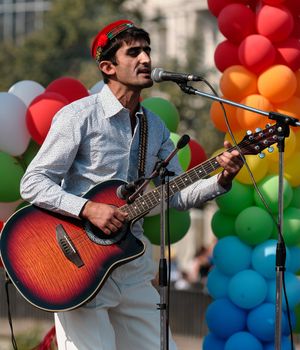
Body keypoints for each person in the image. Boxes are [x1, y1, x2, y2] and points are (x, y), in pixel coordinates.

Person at [20, 19, 243, 350]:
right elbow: (32, 183)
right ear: (108, 66)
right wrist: (88, 208)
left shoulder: (152, 125)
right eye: (134, 52)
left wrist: (222, 177)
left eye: (148, 51)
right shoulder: (77, 116)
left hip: (132, 266)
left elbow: (176, 195)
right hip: (77, 266)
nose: (146, 59)